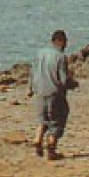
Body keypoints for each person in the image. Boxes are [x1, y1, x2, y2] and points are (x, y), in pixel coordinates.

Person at [29, 29, 77, 160]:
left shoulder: (40, 53)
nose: (66, 45)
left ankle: (37, 138)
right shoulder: (60, 57)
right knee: (58, 120)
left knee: (42, 119)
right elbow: (63, 80)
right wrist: (72, 84)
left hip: (39, 91)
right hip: (54, 93)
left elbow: (32, 72)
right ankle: (51, 150)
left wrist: (30, 88)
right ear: (60, 42)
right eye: (65, 42)